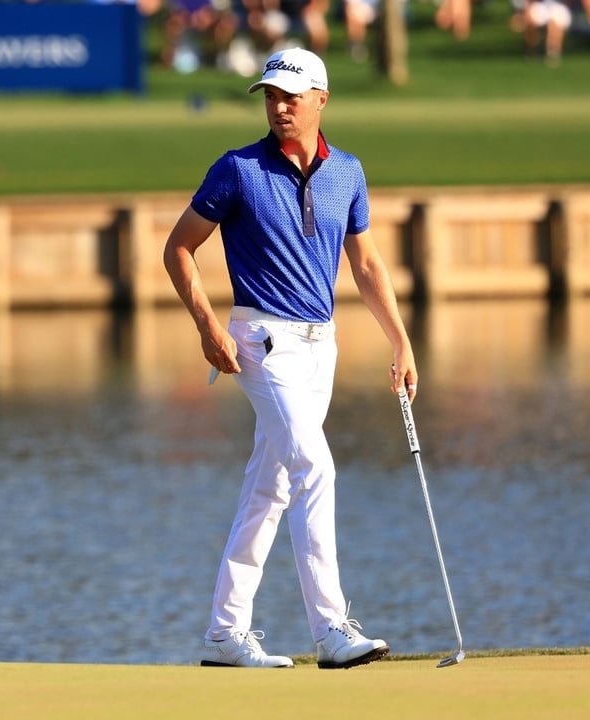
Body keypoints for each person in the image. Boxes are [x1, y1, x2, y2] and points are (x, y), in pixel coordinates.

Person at [163, 46, 418, 669]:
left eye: (291, 96)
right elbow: (178, 249)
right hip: (259, 342)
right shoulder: (238, 169)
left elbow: (365, 263)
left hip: (319, 345)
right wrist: (206, 329)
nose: (279, 106)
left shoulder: (348, 172)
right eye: (271, 96)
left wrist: (400, 339)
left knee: (270, 487)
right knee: (315, 467)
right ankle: (331, 630)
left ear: (321, 100)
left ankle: (225, 635)